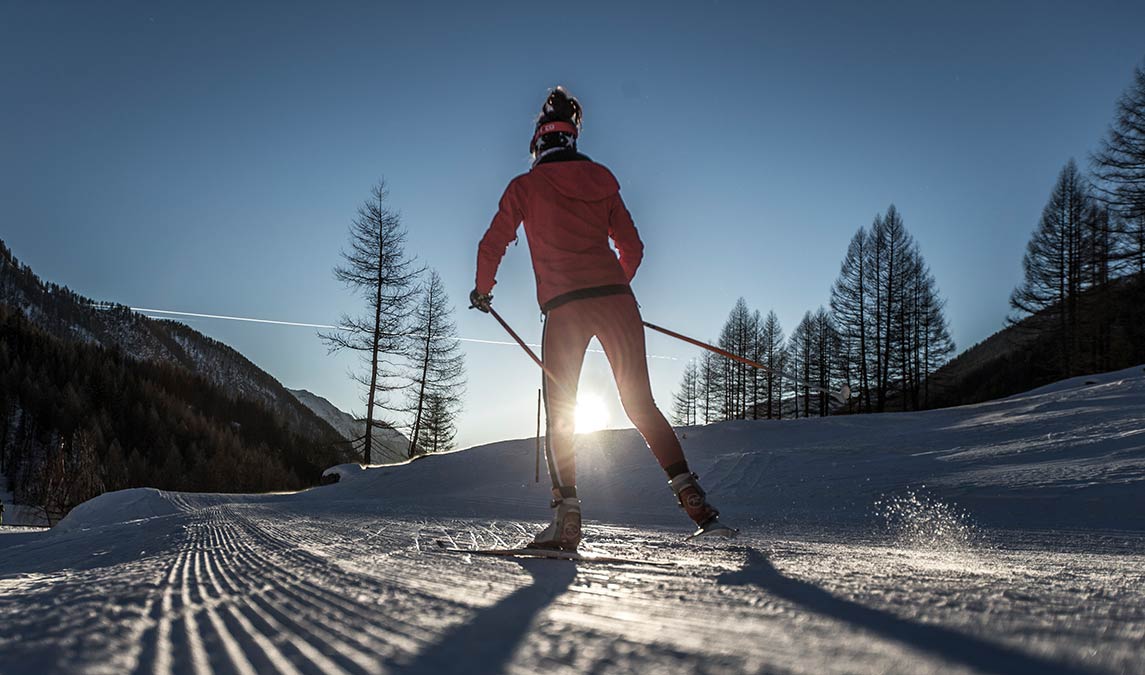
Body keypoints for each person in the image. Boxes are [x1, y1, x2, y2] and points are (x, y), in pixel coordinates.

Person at [471, 86, 728, 550]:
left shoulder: (524, 187)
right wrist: (612, 290)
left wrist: (483, 289)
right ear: (572, 138)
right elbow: (633, 248)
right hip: (617, 302)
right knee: (640, 403)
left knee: (561, 411)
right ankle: (692, 499)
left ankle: (566, 516)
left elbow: (493, 242)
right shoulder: (603, 179)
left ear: (538, 143)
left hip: (564, 308)